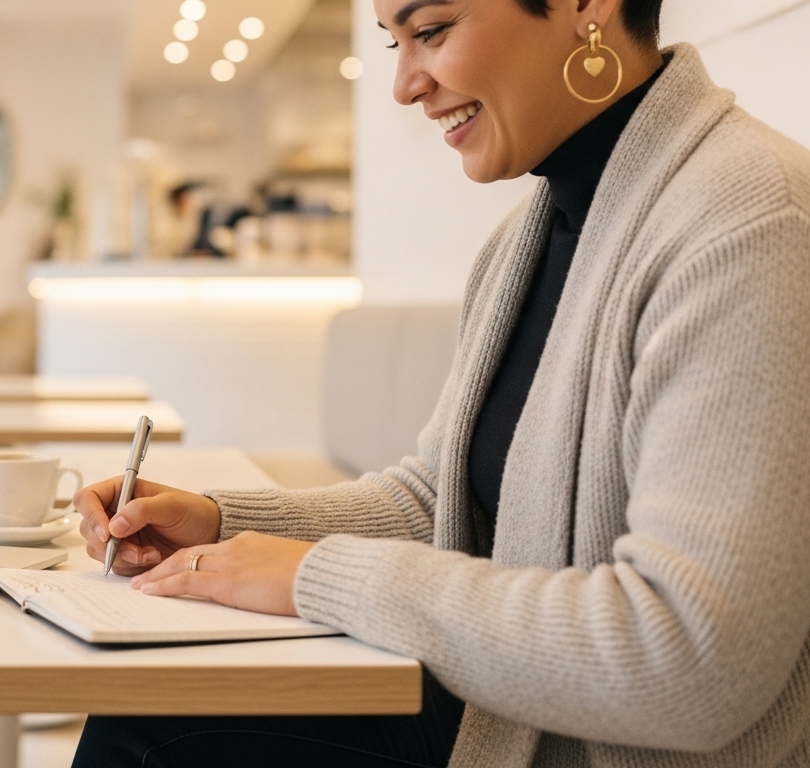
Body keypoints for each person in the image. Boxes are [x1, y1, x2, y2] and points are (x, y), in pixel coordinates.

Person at [72, 0, 810, 766]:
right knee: (142, 711)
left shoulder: (748, 224)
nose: (402, 85)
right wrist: (223, 524)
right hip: (512, 726)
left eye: (430, 32)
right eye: (394, 41)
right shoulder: (525, 240)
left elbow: (687, 662)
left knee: (145, 733)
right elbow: (443, 502)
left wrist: (319, 577)